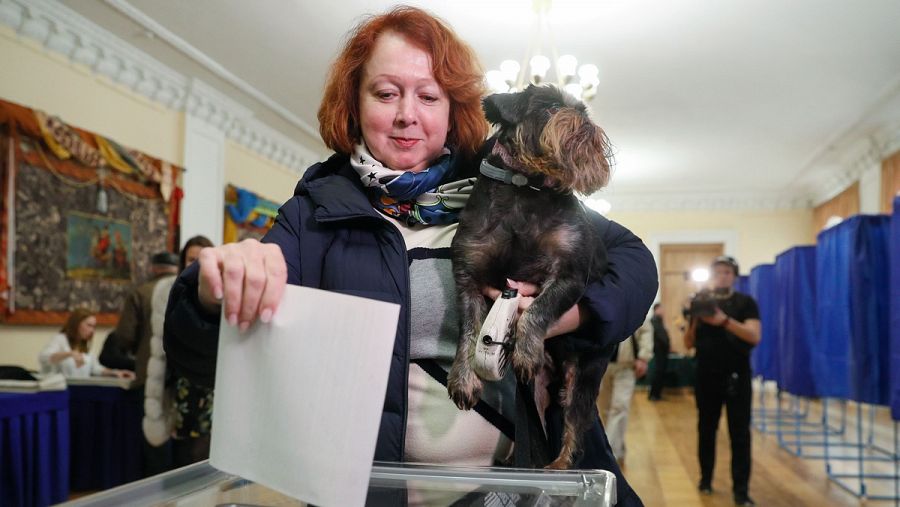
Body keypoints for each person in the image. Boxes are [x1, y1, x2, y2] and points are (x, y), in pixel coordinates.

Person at [163, 6, 657, 505]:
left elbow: (633, 260)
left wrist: (571, 314)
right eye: (385, 93)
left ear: (452, 110)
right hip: (363, 494)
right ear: (354, 104)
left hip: (515, 487)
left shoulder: (515, 185)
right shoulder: (312, 216)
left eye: (428, 96)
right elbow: (207, 361)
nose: (407, 114)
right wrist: (212, 298)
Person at [683, 256, 761, 507]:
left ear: (734, 275)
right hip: (706, 375)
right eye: (717, 272)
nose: (722, 276)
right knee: (706, 430)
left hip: (737, 376)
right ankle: (705, 480)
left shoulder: (745, 303)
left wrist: (723, 320)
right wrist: (695, 318)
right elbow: (688, 344)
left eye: (727, 272)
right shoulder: (702, 302)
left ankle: (741, 491)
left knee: (739, 434)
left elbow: (754, 336)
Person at [112, 250, 180, 476]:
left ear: (153, 268)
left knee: (154, 452)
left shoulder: (140, 293)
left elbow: (124, 336)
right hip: (186, 380)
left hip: (151, 378)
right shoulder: (188, 289)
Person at [170, 235, 215, 468]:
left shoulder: (221, 297)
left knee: (204, 455)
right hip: (181, 387)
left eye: (200, 258)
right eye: (190, 259)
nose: (195, 264)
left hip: (210, 390)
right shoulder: (173, 294)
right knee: (180, 455)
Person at [596, 320, 652, 467]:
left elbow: (646, 329)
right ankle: (617, 446)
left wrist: (643, 357)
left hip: (627, 366)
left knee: (619, 407)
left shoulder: (633, 299)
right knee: (605, 409)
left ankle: (610, 454)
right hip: (602, 364)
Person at [38, 308, 134, 379]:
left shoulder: (84, 346)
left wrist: (115, 373)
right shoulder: (60, 339)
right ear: (76, 324)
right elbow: (44, 357)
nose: (92, 330)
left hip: (80, 390)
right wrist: (69, 354)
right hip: (59, 391)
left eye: (93, 327)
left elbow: (95, 368)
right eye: (89, 325)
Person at [648, 303, 671, 401]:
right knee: (659, 372)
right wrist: (667, 345)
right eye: (661, 309)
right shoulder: (654, 321)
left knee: (660, 372)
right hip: (659, 350)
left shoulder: (659, 321)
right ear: (656, 310)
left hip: (662, 350)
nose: (663, 311)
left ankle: (657, 394)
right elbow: (661, 337)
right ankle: (654, 395)